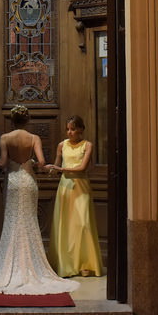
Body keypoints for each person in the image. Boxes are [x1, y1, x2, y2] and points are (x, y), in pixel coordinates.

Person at [0, 105, 78, 295]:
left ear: (12, 121)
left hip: (13, 182)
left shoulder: (5, 138)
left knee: (12, 222)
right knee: (29, 221)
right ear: (27, 120)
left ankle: (12, 265)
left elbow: (3, 163)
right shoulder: (34, 138)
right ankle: (32, 265)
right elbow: (40, 162)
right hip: (29, 182)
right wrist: (35, 164)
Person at [45, 114, 104, 278]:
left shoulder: (87, 145)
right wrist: (49, 169)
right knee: (66, 225)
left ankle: (86, 263)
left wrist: (61, 170)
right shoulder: (61, 145)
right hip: (65, 188)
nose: (69, 132)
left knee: (83, 224)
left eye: (73, 129)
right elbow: (56, 165)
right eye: (68, 129)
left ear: (81, 130)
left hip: (81, 187)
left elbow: (82, 167)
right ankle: (66, 263)